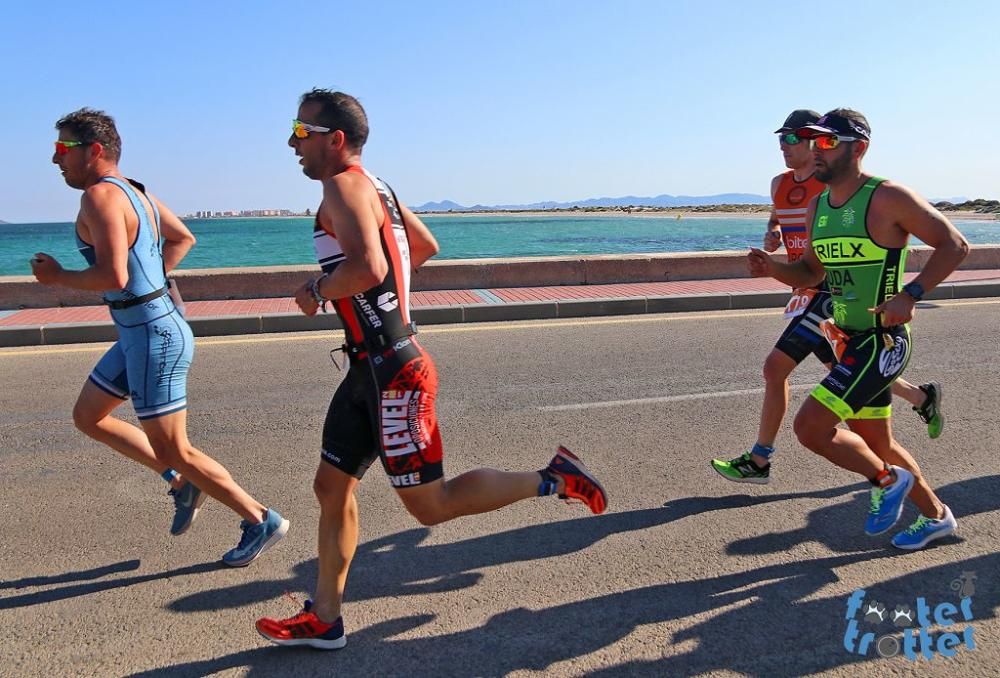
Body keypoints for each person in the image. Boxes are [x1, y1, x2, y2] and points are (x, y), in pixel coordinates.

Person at [255, 89, 608, 650]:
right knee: (331, 485)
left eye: (302, 133)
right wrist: (382, 298)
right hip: (365, 367)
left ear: (335, 140)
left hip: (395, 370)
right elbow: (422, 246)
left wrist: (319, 288)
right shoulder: (379, 188)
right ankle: (325, 616)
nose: (291, 143)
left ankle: (556, 478)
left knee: (430, 507)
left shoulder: (343, 186)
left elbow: (370, 268)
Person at [33, 108, 288, 566]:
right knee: (89, 416)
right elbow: (183, 238)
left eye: (62, 149)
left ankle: (259, 517)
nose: (56, 161)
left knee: (176, 447)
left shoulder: (99, 197)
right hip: (143, 329)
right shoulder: (137, 194)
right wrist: (149, 283)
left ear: (94, 151)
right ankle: (181, 481)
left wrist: (58, 277)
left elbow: (111, 273)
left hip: (153, 335)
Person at [746, 108, 967, 549]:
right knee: (876, 441)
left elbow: (954, 245)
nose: (816, 150)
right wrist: (773, 268)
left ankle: (886, 483)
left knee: (811, 428)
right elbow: (812, 273)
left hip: (882, 341)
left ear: (858, 148)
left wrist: (913, 294)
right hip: (846, 339)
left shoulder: (887, 197)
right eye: (813, 141)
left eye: (827, 142)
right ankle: (938, 516)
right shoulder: (818, 208)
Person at [711, 109, 945, 485]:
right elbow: (780, 219)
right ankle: (920, 402)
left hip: (830, 294)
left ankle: (761, 459)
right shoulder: (781, 185)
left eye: (795, 139)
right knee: (844, 379)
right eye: (782, 139)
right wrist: (773, 239)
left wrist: (909, 293)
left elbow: (940, 242)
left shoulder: (836, 187)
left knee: (777, 369)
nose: (785, 146)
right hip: (803, 289)